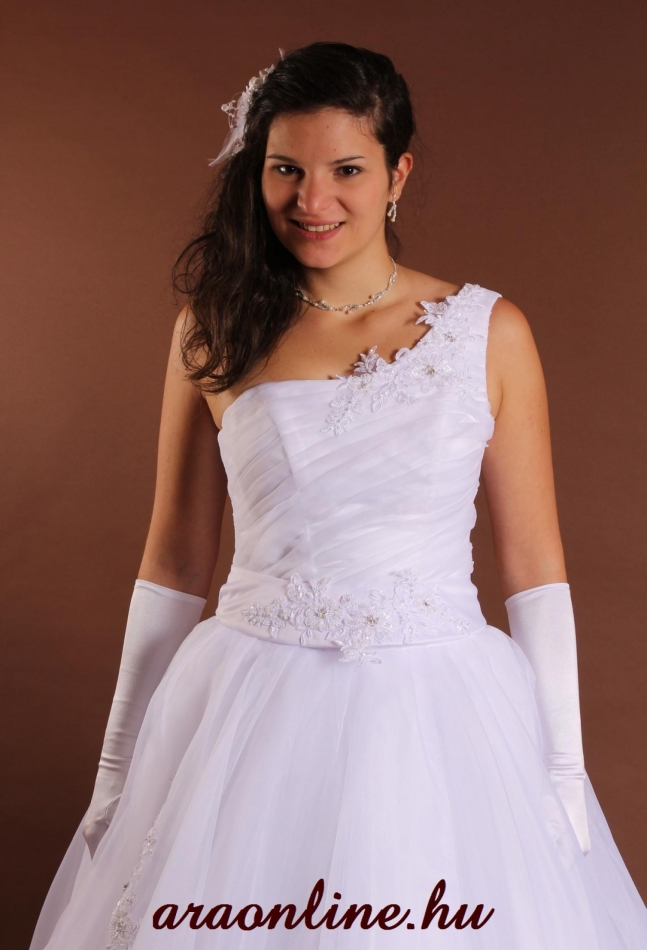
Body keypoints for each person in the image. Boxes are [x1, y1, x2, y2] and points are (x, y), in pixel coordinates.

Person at [30, 41, 647, 950]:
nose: (311, 201)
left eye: (345, 170)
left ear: (398, 175)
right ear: (257, 171)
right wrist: (117, 761)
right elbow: (175, 559)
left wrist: (560, 765)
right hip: (248, 706)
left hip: (438, 710)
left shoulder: (489, 331)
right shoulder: (213, 326)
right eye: (286, 169)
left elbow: (533, 569)